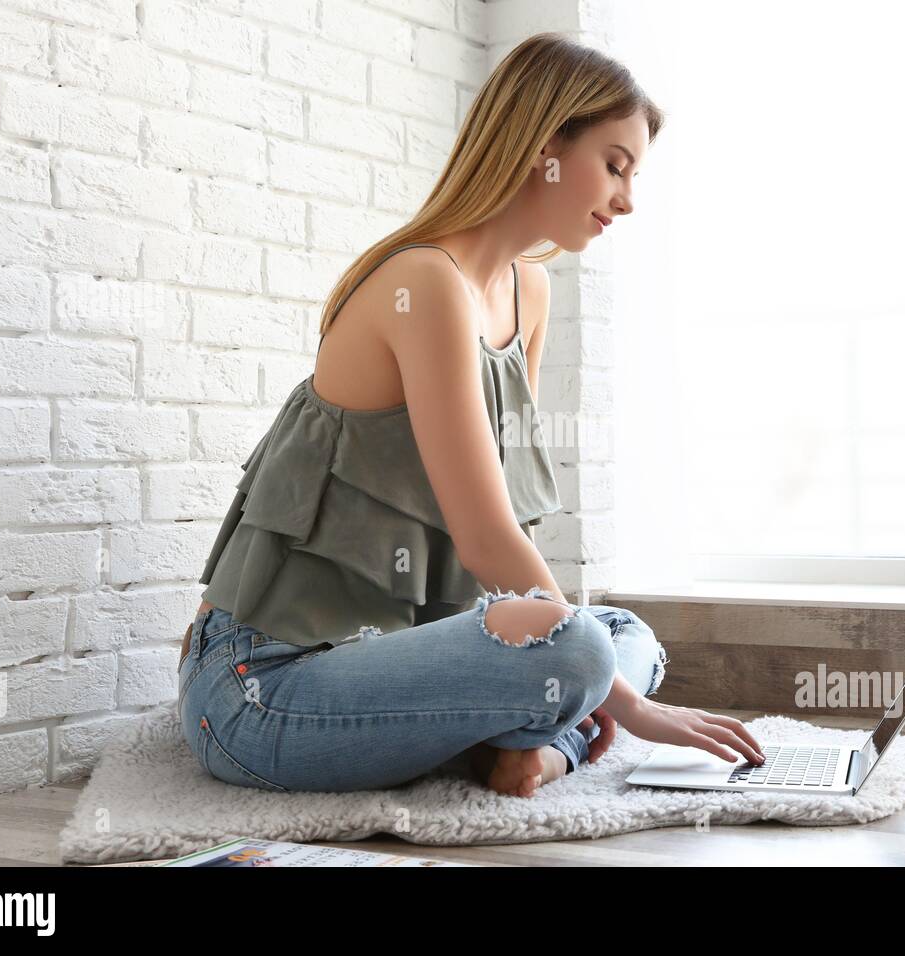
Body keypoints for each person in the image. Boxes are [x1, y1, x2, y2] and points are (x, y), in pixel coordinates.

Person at [177, 31, 765, 799]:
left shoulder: (529, 291)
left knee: (620, 632)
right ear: (542, 144)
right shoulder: (422, 284)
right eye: (615, 165)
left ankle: (535, 745)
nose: (627, 197)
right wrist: (638, 711)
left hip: (401, 656)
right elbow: (486, 539)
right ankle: (550, 743)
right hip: (268, 690)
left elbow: (506, 537)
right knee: (584, 653)